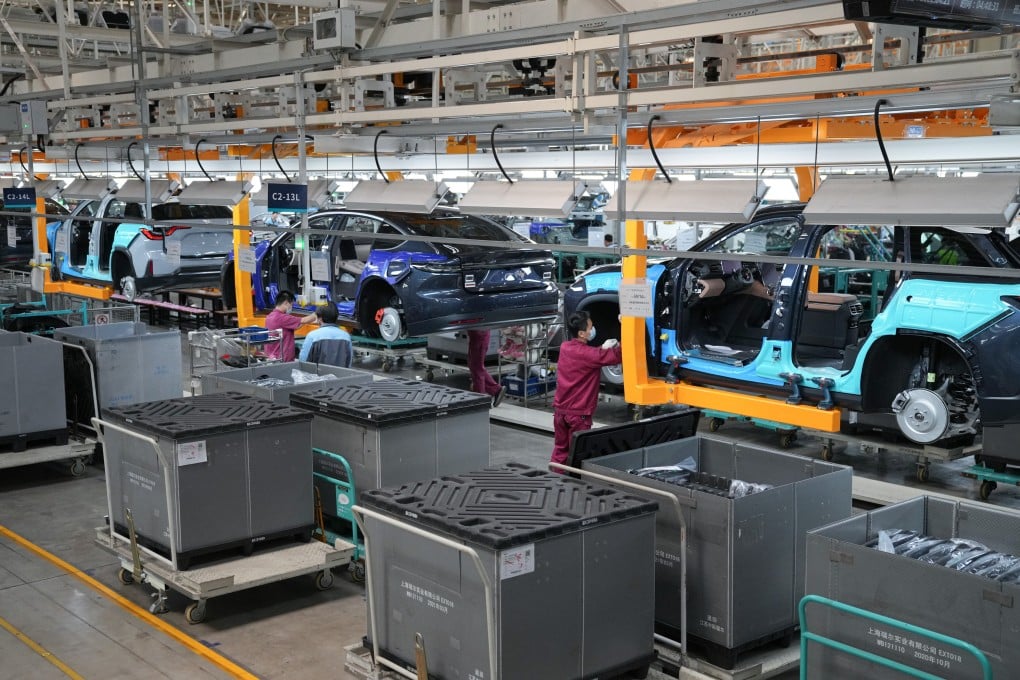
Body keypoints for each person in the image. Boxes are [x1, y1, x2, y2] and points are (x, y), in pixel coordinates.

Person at [550, 310, 623, 467]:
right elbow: (618, 355)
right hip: (578, 415)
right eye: (590, 327)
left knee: (560, 450)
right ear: (582, 333)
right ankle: (572, 480)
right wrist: (626, 328)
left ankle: (555, 476)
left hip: (560, 412)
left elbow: (586, 356)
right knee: (577, 454)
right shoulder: (590, 355)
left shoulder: (565, 347)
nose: (593, 329)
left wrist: (601, 349)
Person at [265, 290, 318, 362]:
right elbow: (304, 320)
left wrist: (304, 322)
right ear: (286, 303)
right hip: (283, 359)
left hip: (273, 357)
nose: (291, 307)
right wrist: (318, 312)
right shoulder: (282, 317)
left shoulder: (270, 316)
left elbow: (295, 326)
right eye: (291, 305)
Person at [299, 301, 353, 366]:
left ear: (320, 318)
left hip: (316, 372)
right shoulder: (346, 336)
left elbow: (303, 360)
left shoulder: (312, 336)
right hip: (340, 372)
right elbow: (349, 361)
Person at [467, 329, 507, 407]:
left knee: (477, 368)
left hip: (479, 334)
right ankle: (496, 390)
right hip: (476, 334)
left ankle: (480, 400)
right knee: (474, 366)